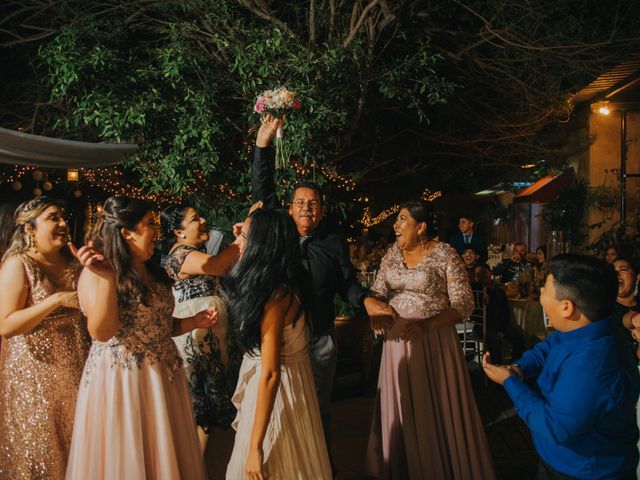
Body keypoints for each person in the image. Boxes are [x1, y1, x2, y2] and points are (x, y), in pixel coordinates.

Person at [252, 116, 394, 472]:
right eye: (300, 202)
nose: (306, 208)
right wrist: (262, 147)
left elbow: (347, 283)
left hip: (318, 339)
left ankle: (320, 468)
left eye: (313, 204)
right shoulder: (279, 233)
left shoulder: (332, 244)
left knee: (318, 410)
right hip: (278, 340)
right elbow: (263, 192)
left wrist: (366, 300)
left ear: (321, 210)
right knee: (277, 409)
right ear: (289, 207)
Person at [65, 197, 217, 480]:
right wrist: (109, 280)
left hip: (163, 376)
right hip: (124, 382)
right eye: (149, 224)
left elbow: (157, 325)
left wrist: (192, 322)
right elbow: (101, 332)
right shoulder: (97, 272)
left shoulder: (151, 269)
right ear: (127, 233)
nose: (156, 232)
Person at [365, 201, 496, 479]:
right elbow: (377, 290)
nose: (395, 226)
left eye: (402, 220)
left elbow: (463, 304)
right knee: (401, 410)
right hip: (395, 347)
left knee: (432, 409)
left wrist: (427, 326)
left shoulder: (445, 254)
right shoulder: (391, 253)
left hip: (433, 343)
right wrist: (374, 310)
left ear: (420, 226)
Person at [484, 254, 640, 480]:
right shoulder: (590, 326)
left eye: (545, 290)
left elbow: (555, 426)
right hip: (558, 460)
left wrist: (510, 382)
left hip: (585, 471)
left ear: (567, 307)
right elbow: (549, 346)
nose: (541, 297)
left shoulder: (592, 365)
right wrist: (520, 367)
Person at [224, 208, 331, 479]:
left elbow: (271, 374)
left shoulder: (274, 295)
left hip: (275, 395)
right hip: (296, 387)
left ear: (262, 243)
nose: (239, 242)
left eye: (245, 236)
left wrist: (256, 447)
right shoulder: (293, 280)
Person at [0, 196, 91, 480]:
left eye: (63, 217)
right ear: (29, 229)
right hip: (34, 378)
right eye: (53, 218)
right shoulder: (19, 264)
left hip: (76, 370)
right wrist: (56, 301)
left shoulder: (73, 263)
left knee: (76, 448)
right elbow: (6, 325)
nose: (64, 224)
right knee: (40, 453)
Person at [160, 203, 244, 449]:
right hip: (194, 340)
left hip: (211, 337)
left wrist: (238, 240)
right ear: (179, 232)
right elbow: (217, 265)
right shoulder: (180, 255)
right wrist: (246, 234)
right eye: (195, 218)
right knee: (199, 414)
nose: (203, 220)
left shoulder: (195, 252)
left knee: (207, 416)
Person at [475, 264, 526, 364]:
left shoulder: (499, 290)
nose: (482, 276)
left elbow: (505, 311)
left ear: (490, 272)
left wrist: (501, 329)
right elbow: (476, 315)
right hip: (484, 325)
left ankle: (515, 365)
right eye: (478, 274)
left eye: (484, 272)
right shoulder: (477, 291)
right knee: (494, 342)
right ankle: (496, 372)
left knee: (519, 338)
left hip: (501, 324)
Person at [611, 257, 640, 364]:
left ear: (637, 278)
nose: (617, 274)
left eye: (623, 269)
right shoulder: (603, 308)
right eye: (613, 271)